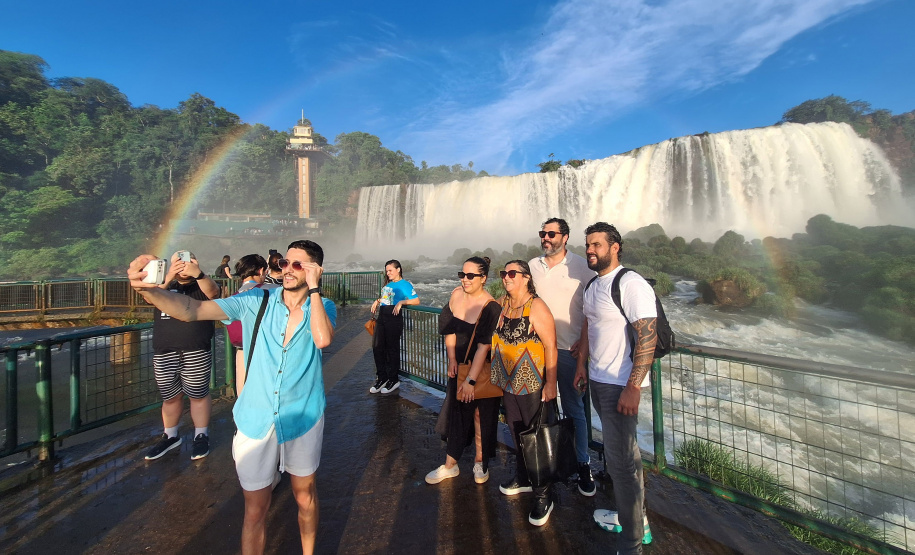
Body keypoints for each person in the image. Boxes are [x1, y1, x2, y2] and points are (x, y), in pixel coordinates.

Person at [127, 240, 336, 555]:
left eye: (298, 265)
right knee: (255, 509)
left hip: (303, 416)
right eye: (284, 264)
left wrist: (316, 289)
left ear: (315, 269)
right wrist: (147, 291)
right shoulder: (255, 299)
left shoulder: (323, 306)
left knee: (305, 496)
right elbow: (190, 309)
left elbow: (322, 339)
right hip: (256, 418)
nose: (288, 271)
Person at [574, 222, 657, 555]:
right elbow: (589, 327)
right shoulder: (594, 284)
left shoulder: (631, 283)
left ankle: (631, 543)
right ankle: (635, 518)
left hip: (620, 385)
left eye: (597, 244)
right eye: (588, 245)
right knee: (628, 459)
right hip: (597, 379)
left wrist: (633, 387)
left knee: (621, 466)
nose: (590, 250)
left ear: (615, 246)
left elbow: (647, 337)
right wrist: (581, 365)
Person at [528, 217, 597, 496]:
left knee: (574, 409)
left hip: (569, 351)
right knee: (538, 407)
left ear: (565, 237)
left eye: (552, 234)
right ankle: (542, 462)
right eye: (543, 233)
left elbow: (593, 310)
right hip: (536, 350)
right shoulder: (533, 266)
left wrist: (584, 341)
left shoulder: (583, 267)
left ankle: (582, 463)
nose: (546, 238)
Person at [491, 260, 558, 527]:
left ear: (526, 278)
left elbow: (552, 346)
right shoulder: (504, 304)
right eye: (503, 274)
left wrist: (551, 384)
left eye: (511, 274)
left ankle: (544, 495)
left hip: (532, 384)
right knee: (517, 432)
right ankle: (522, 477)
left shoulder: (536, 307)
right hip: (508, 384)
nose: (506, 278)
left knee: (536, 438)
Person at [425, 257, 501, 485]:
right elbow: (449, 329)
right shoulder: (456, 295)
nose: (464, 280)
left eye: (470, 276)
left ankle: (480, 462)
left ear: (484, 278)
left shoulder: (491, 307)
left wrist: (470, 380)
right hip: (458, 366)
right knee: (457, 414)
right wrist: (451, 359)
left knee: (482, 416)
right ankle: (451, 464)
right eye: (462, 274)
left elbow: (483, 346)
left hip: (481, 369)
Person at [144, 251, 221, 461]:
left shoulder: (201, 285)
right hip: (164, 351)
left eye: (186, 261)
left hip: (196, 349)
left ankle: (201, 434)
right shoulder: (163, 286)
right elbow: (149, 295)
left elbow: (214, 293)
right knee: (170, 398)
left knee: (198, 394)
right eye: (178, 261)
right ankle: (170, 436)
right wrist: (168, 276)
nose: (182, 265)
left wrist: (199, 274)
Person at [230, 254, 280, 393]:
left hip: (242, 350)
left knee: (244, 392)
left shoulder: (235, 295)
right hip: (268, 349)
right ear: (260, 270)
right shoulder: (273, 290)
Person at [369, 260, 420, 394]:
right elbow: (387, 298)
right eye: (387, 271)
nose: (388, 273)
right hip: (382, 317)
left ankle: (393, 379)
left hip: (394, 318)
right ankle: (382, 377)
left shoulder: (405, 285)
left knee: (392, 349)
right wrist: (378, 300)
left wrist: (402, 302)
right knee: (377, 347)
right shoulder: (389, 284)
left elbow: (416, 300)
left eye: (390, 270)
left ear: (398, 269)